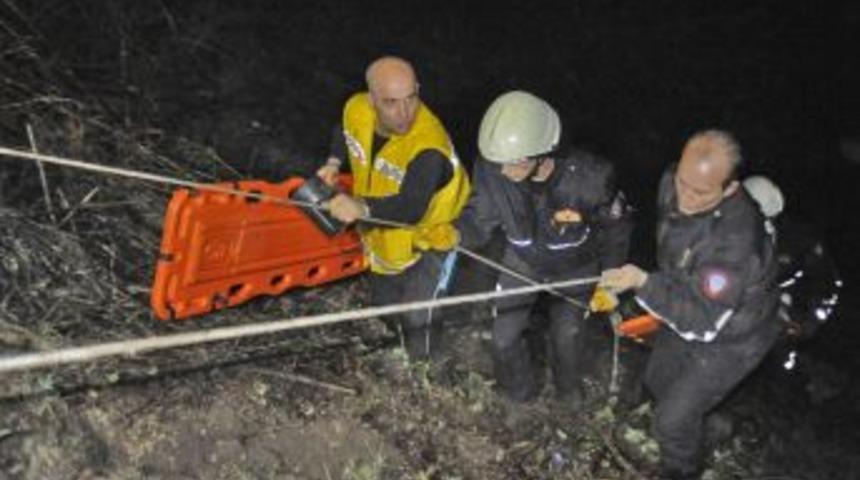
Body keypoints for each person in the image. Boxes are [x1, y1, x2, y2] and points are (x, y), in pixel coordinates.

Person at [600, 130, 780, 480]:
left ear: (730, 188)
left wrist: (644, 283)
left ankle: (681, 469)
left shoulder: (737, 243)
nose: (685, 197)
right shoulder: (672, 182)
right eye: (683, 182)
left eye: (700, 192)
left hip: (733, 339)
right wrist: (655, 283)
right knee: (657, 380)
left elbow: (702, 322)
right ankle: (710, 424)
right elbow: (677, 252)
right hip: (687, 299)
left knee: (671, 421)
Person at [455, 90, 632, 408]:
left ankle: (568, 393)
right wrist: (455, 234)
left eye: (514, 163)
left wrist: (610, 278)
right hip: (521, 261)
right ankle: (517, 394)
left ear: (541, 152)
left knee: (568, 337)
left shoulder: (590, 179)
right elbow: (480, 216)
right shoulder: (493, 167)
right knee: (503, 337)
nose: (504, 172)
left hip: (576, 267)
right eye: (498, 163)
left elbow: (616, 229)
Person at [317, 56, 470, 362]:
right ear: (372, 99)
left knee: (418, 316)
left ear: (418, 90)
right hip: (383, 231)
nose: (404, 113)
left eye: (411, 98)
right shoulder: (357, 109)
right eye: (390, 102)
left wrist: (360, 207)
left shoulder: (429, 148)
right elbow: (345, 130)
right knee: (385, 303)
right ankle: (399, 342)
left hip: (435, 237)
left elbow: (410, 207)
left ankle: (426, 366)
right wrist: (334, 162)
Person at [743, 175, 842, 344]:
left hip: (774, 327)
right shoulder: (720, 233)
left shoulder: (798, 242)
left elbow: (824, 284)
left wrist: (805, 322)